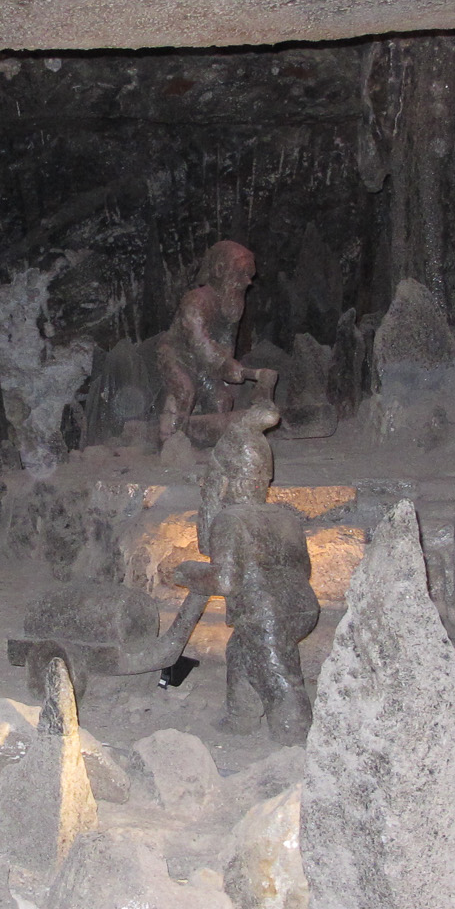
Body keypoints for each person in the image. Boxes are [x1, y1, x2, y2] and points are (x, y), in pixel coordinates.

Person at [177, 402, 319, 743]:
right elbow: (304, 568)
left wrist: (189, 573)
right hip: (302, 606)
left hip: (263, 612)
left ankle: (294, 734)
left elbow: (224, 581)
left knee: (280, 676)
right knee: (240, 652)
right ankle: (241, 715)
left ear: (225, 480)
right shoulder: (285, 517)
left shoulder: (230, 521)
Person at [157, 239, 260, 443]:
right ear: (220, 269)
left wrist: (224, 373)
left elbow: (226, 342)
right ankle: (169, 441)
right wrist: (223, 364)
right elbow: (198, 340)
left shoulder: (232, 306)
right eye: (242, 273)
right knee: (184, 392)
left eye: (249, 275)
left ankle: (206, 442)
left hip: (205, 364)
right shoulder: (196, 300)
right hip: (178, 356)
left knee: (221, 401)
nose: (248, 282)